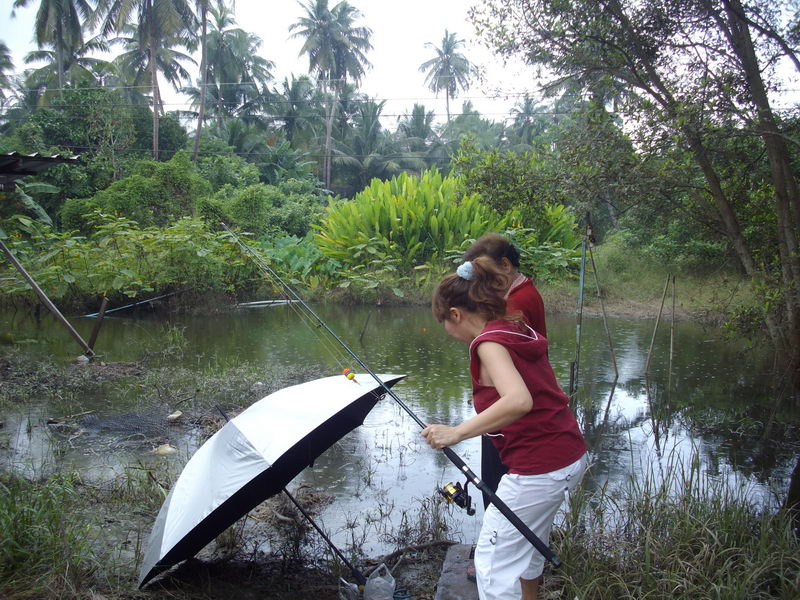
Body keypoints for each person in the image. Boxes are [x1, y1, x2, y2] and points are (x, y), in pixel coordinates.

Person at [422, 257, 587, 600]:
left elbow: (518, 401)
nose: (447, 330)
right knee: (528, 543)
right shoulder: (513, 326)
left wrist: (456, 432)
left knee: (493, 565)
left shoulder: (488, 343)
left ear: (456, 314)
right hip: (568, 454)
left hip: (538, 469)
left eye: (444, 321)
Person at [463, 233, 547, 511]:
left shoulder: (515, 305)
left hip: (510, 411)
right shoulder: (525, 292)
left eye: (488, 275)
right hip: (521, 401)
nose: (485, 284)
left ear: (506, 266)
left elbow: (501, 356)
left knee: (497, 489)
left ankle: (496, 544)